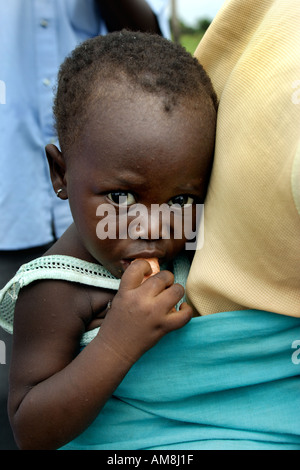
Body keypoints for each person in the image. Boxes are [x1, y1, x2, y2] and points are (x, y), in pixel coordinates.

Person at [0, 31, 218, 450]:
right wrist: (118, 343)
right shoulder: (54, 289)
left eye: (180, 199)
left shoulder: (190, 244)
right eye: (121, 197)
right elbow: (28, 427)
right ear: (61, 175)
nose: (153, 226)